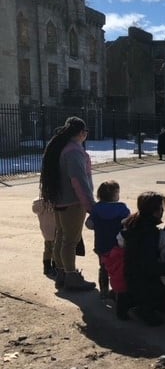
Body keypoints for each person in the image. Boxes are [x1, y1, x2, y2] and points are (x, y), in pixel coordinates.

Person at [39, 116, 96, 291]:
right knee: (70, 241)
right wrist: (90, 206)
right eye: (86, 132)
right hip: (73, 203)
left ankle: (62, 273)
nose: (86, 135)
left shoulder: (60, 148)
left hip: (59, 200)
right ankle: (71, 276)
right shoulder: (74, 151)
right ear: (81, 132)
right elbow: (78, 181)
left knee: (61, 238)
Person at [121, 192, 165, 326]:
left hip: (134, 278)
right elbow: (149, 267)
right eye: (160, 208)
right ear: (155, 211)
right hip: (141, 282)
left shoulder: (138, 223)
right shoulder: (147, 233)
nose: (162, 211)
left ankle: (144, 303)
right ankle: (143, 307)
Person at [85, 180, 131, 299]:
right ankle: (117, 290)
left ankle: (104, 290)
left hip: (101, 244)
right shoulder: (122, 208)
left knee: (104, 268)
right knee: (118, 268)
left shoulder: (96, 208)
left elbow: (89, 224)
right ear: (115, 194)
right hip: (117, 244)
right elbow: (128, 222)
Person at [32, 197, 57, 278]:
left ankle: (46, 267)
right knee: (55, 250)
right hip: (55, 229)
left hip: (45, 230)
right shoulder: (53, 201)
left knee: (47, 250)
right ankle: (55, 267)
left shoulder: (38, 202)